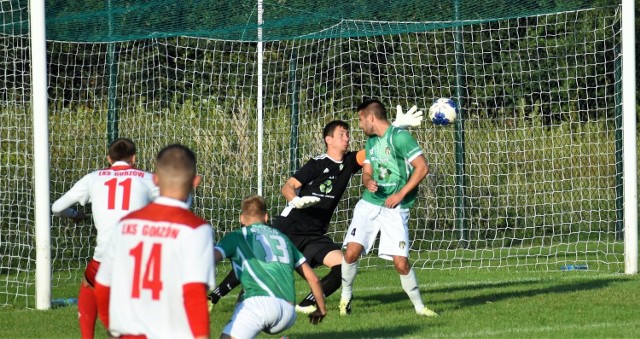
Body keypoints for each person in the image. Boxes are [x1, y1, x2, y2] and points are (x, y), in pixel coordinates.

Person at [209, 107, 424, 313]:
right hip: (288, 228)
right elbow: (288, 186)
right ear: (328, 140)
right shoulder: (317, 163)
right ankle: (213, 297)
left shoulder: (349, 162)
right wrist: (296, 201)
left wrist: (397, 125)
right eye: (341, 134)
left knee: (344, 267)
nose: (347, 138)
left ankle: (305, 306)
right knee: (255, 260)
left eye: (348, 134)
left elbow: (376, 149)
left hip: (314, 235)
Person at [94, 144, 215, 339]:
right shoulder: (197, 229)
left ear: (155, 179)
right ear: (195, 182)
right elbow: (193, 292)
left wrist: (112, 327)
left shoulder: (125, 225)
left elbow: (102, 286)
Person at [339, 98, 438, 317]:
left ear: (371, 117)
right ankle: (345, 297)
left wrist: (401, 193)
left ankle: (420, 308)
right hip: (369, 204)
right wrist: (367, 181)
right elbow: (367, 171)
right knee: (351, 252)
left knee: (401, 263)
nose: (360, 125)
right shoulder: (372, 142)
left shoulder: (400, 138)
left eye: (361, 120)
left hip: (395, 208)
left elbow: (422, 168)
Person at [51, 138, 158, 339]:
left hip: (104, 259)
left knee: (89, 283)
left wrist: (75, 215)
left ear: (109, 158)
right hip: (137, 260)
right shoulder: (147, 178)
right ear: (134, 158)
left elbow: (56, 208)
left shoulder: (93, 178)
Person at [215, 194, 326, 339]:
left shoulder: (238, 236)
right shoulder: (283, 239)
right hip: (288, 313)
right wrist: (321, 309)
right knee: (244, 295)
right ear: (266, 217)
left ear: (241, 218)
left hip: (260, 305)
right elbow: (313, 279)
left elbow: (208, 259)